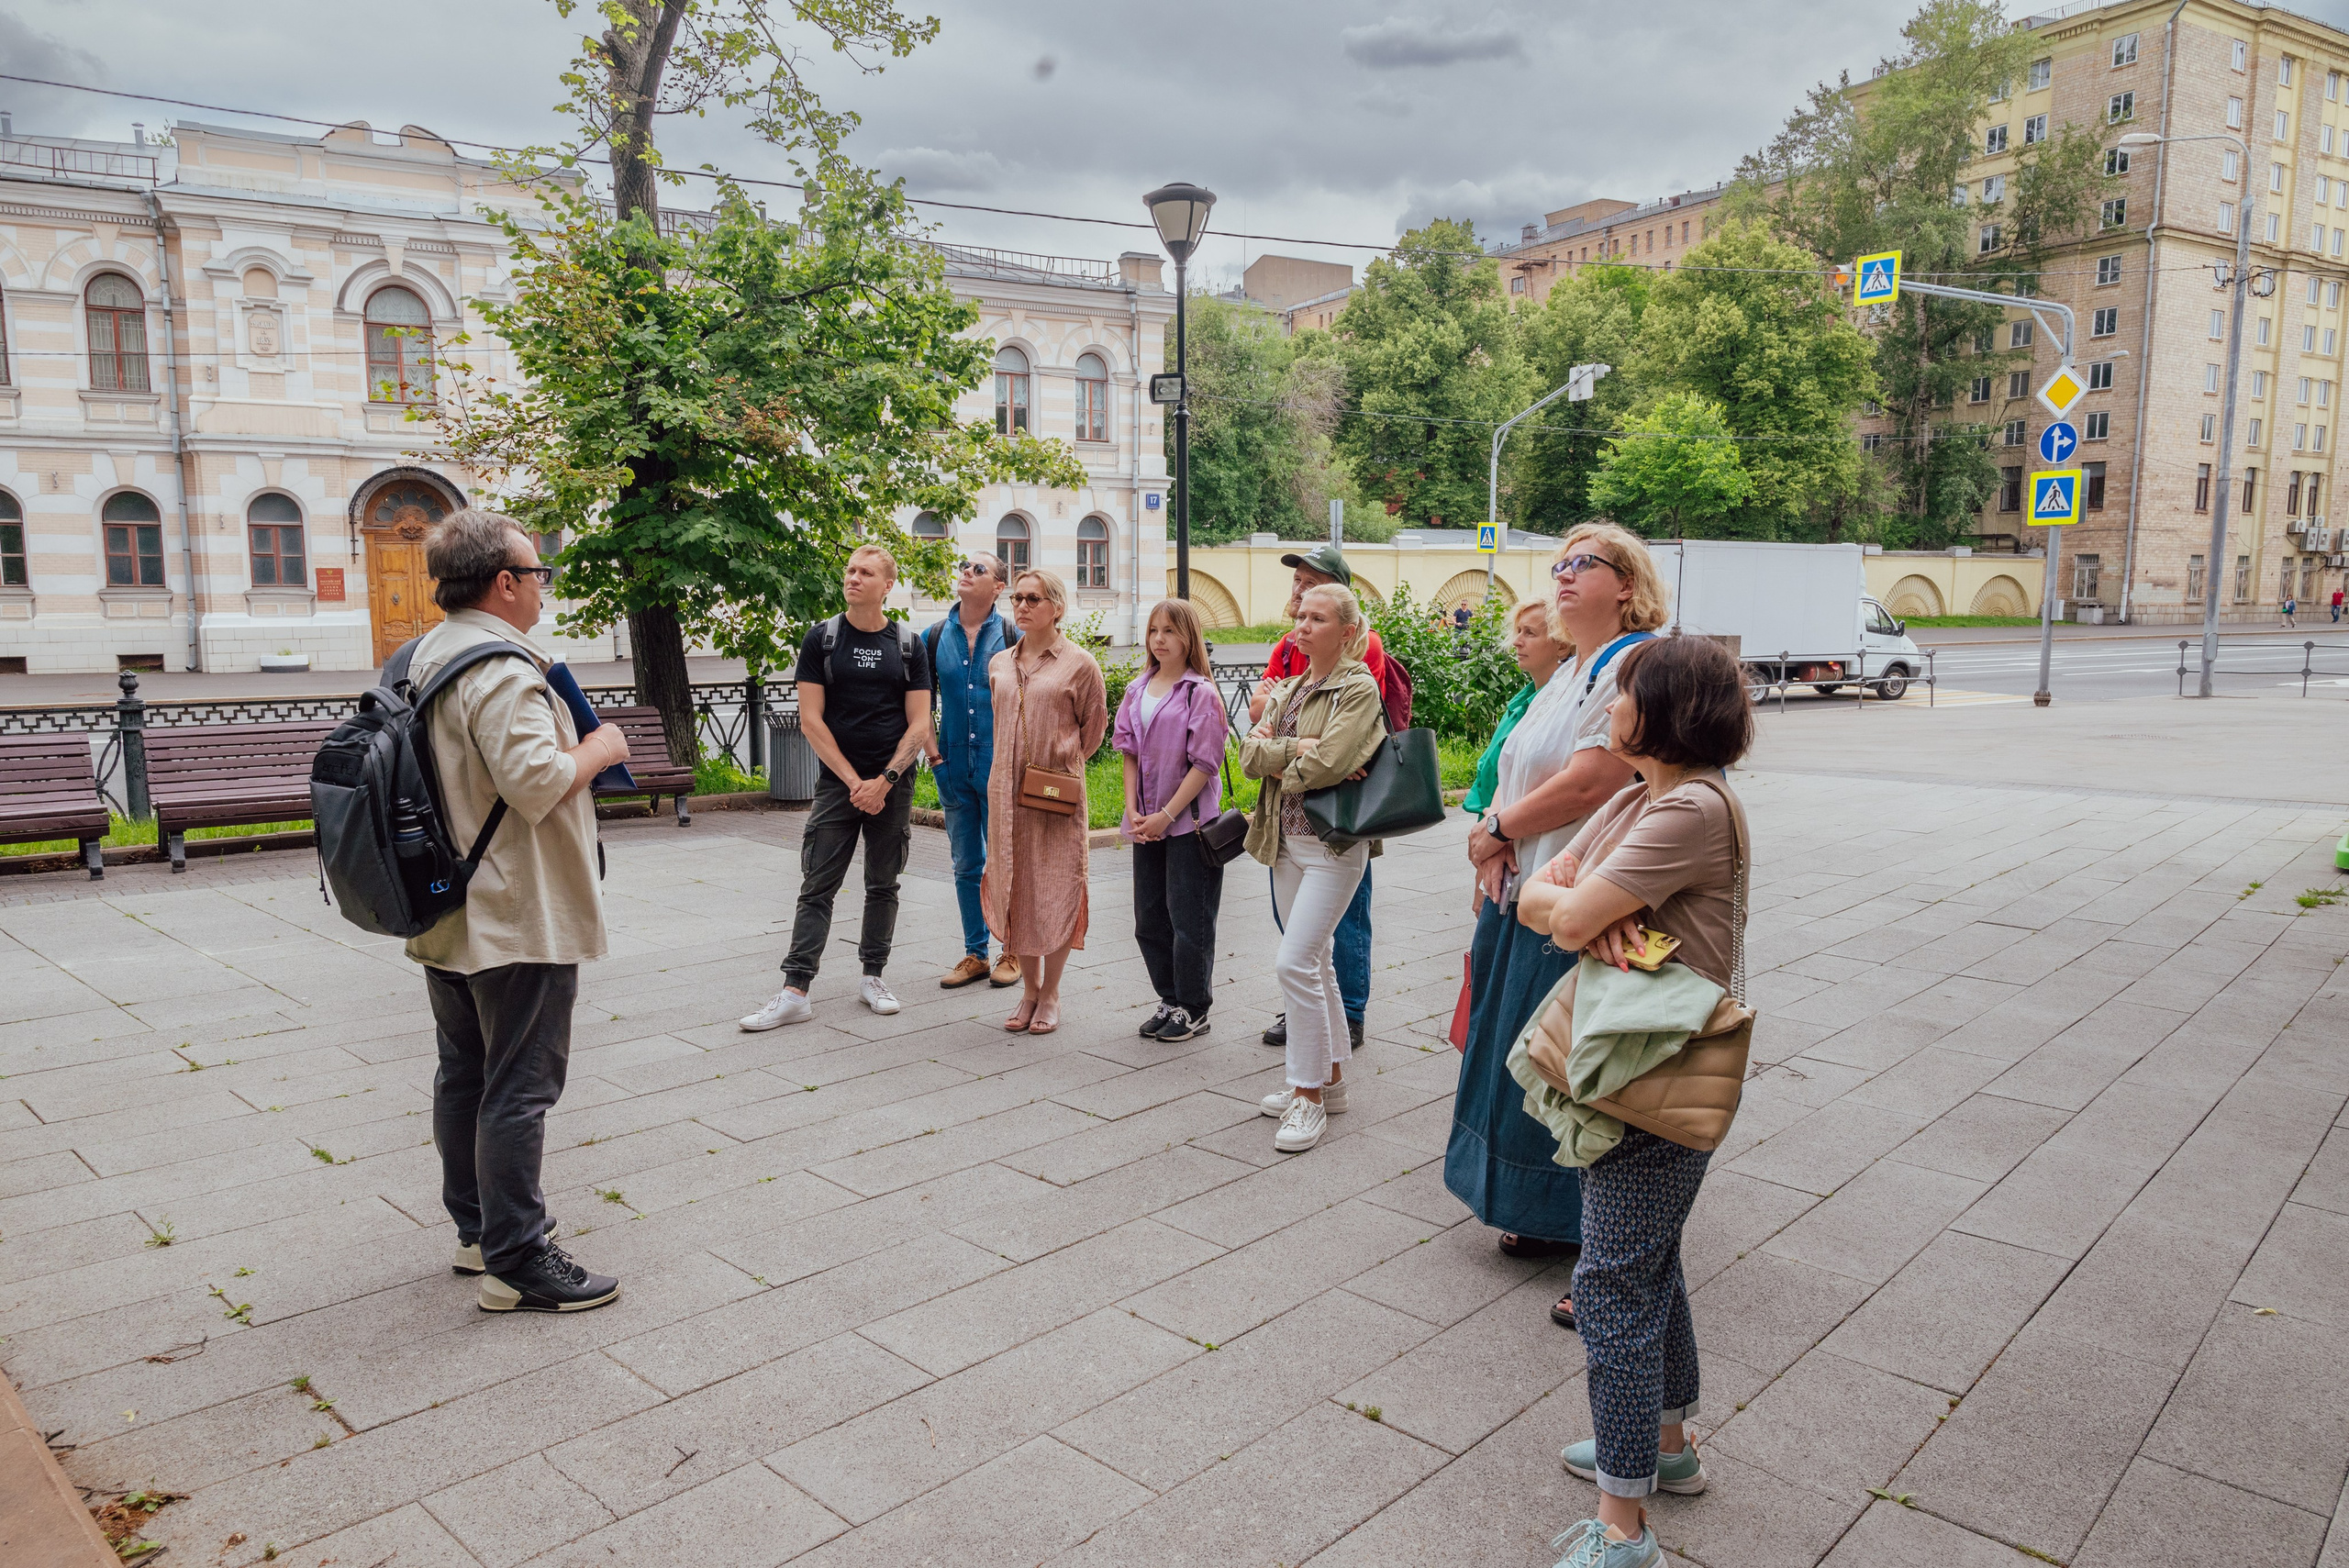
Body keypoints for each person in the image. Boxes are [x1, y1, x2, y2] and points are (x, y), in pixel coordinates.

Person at [1518, 635, 1753, 1568]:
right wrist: (1570, 903)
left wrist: (1582, 908)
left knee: (1611, 1282)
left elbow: (1564, 912)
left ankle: (1623, 1528)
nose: (1608, 706)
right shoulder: (1632, 795)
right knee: (1649, 1261)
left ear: (1663, 713)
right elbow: (1538, 890)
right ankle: (1667, 1445)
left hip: (1654, 1069)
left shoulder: (1691, 806)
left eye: (1621, 693)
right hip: (1626, 1058)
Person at [406, 508, 629, 1313]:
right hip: (513, 906)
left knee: (465, 1071)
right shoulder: (499, 668)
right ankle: (517, 1257)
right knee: (520, 1085)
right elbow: (537, 781)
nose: (542, 586)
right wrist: (603, 746)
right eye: (537, 573)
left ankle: (478, 1231)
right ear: (505, 582)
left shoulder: (427, 652)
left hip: (450, 902)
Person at [1446, 523, 1664, 1325]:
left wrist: (1498, 833)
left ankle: (1597, 1236)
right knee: (1524, 1052)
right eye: (1561, 563)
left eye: (1585, 564)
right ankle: (1542, 1215)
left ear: (1628, 585)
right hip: (1529, 889)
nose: (1564, 576)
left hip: (1586, 900)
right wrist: (1494, 837)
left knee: (1576, 1065)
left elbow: (1590, 784)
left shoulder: (1631, 663)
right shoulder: (1572, 666)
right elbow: (1518, 766)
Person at [740, 545, 931, 1030]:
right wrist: (855, 783)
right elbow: (810, 720)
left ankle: (873, 977)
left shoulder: (908, 645)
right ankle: (794, 991)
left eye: (865, 572)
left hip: (893, 784)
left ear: (887, 585)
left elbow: (919, 722)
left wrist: (885, 781)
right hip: (837, 786)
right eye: (850, 570)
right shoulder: (822, 639)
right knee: (817, 886)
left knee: (883, 884)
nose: (853, 578)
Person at [1240, 583, 1387, 1154]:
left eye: (1317, 619)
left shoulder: (1358, 686)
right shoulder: (1292, 686)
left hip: (1332, 846)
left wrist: (1295, 755)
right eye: (1301, 616)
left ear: (1346, 633)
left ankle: (1306, 1096)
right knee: (1318, 963)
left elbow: (1334, 760)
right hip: (1285, 838)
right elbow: (1250, 758)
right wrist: (1301, 751)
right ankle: (1331, 1081)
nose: (1302, 627)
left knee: (1294, 962)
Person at [986, 568, 1109, 1035]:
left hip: (1054, 797)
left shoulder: (1080, 665)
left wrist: (1057, 766)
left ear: (1056, 606)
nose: (1022, 606)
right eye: (1017, 598)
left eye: (1033, 599)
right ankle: (1029, 991)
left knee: (1056, 888)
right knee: (1018, 890)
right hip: (1004, 796)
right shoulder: (999, 663)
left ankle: (1052, 993)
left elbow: (1093, 732)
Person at [1115, 599, 1230, 1043]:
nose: (1159, 639)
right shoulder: (1137, 688)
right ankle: (1169, 998)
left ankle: (1193, 1007)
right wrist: (1132, 809)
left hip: (1189, 824)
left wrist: (1167, 814)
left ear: (1189, 637)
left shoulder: (1199, 692)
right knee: (1149, 917)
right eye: (1153, 631)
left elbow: (1206, 763)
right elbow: (1127, 751)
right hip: (1146, 823)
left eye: (1169, 631)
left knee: (1190, 919)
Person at [923, 552, 1022, 990]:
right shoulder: (934, 636)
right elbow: (918, 703)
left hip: (1002, 770)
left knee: (1007, 861)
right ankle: (975, 953)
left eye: (978, 569)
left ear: (998, 586)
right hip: (952, 767)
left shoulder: (1013, 635)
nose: (966, 572)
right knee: (966, 863)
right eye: (964, 565)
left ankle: (1013, 949)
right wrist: (934, 758)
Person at [1461, 599, 1574, 819]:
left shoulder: (1562, 705)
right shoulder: (1521, 704)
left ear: (1562, 645)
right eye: (1518, 631)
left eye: (1529, 633)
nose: (1516, 642)